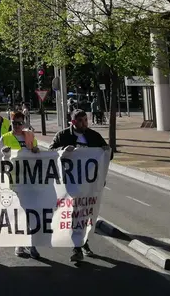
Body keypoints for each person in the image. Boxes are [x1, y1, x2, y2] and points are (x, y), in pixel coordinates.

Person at [49, 109, 108, 262]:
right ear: (73, 122)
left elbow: (106, 154)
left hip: (90, 184)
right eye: (81, 121)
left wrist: (107, 151)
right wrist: (62, 150)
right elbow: (51, 152)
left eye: (86, 120)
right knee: (75, 213)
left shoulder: (93, 136)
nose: (85, 124)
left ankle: (83, 242)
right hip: (70, 184)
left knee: (87, 214)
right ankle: (77, 247)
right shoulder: (63, 136)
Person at [0, 111, 40, 259]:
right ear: (11, 123)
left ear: (24, 123)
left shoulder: (30, 136)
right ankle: (20, 243)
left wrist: (35, 150)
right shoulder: (6, 138)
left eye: (20, 123)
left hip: (29, 180)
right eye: (14, 123)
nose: (17, 126)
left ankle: (31, 243)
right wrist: (4, 154)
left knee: (29, 212)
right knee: (18, 213)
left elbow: (37, 154)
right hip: (13, 181)